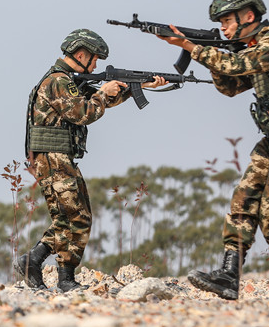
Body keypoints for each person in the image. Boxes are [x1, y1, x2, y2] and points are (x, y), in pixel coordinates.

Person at [154, 0, 269, 299]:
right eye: (220, 22)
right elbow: (230, 85)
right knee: (243, 202)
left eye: (227, 20)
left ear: (248, 15)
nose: (223, 27)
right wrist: (210, 54)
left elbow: (234, 66)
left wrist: (190, 46)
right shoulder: (250, 49)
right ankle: (228, 275)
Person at [14, 29, 167, 292]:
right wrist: (104, 92)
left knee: (76, 216)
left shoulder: (67, 81)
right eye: (94, 59)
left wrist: (136, 87)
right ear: (81, 54)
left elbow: (93, 103)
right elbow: (84, 112)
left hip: (58, 157)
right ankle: (63, 279)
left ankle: (37, 262)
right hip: (52, 156)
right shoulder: (58, 81)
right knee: (73, 216)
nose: (96, 65)